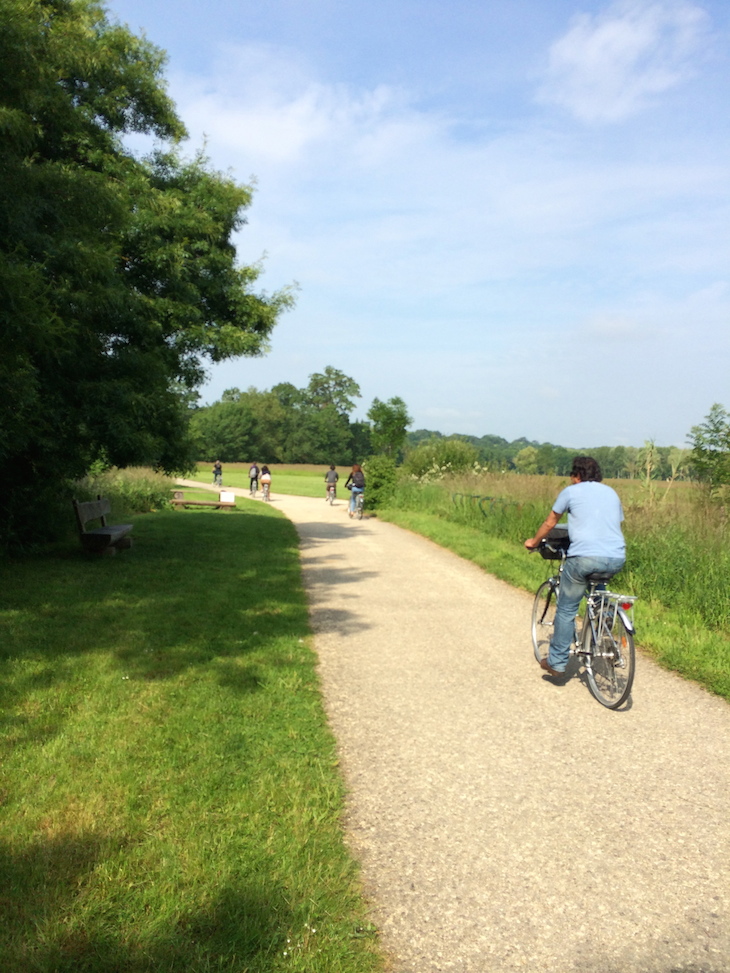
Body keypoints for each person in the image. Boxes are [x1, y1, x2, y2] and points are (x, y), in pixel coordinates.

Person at [524, 455, 626, 678]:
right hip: (616, 557)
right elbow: (610, 523)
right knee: (597, 589)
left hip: (583, 558)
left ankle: (557, 662)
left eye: (572, 475)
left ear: (576, 475)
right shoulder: (611, 492)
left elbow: (551, 522)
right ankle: (605, 619)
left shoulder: (571, 492)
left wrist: (533, 542)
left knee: (567, 608)